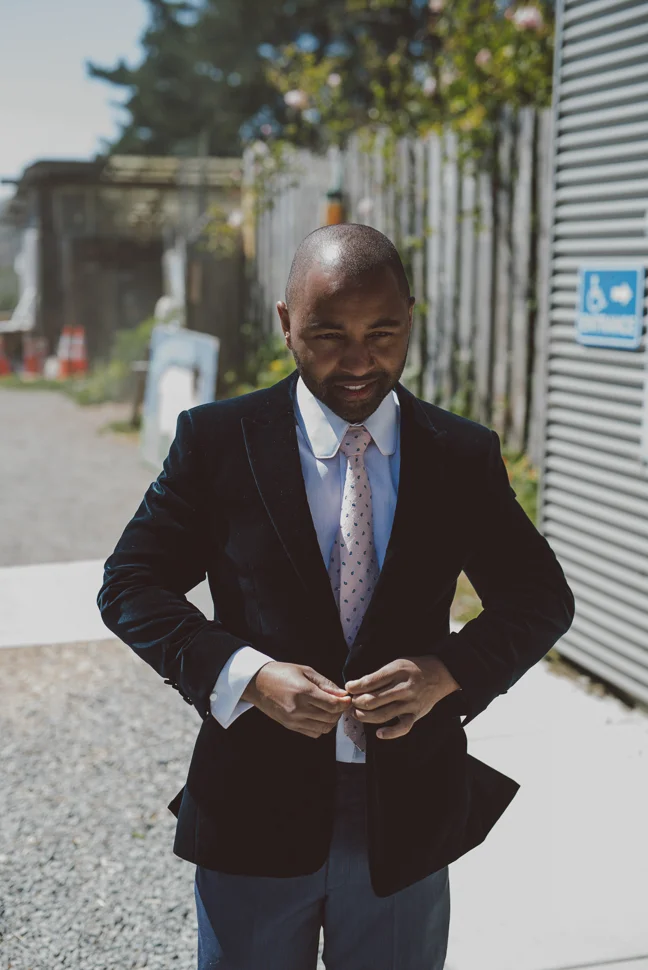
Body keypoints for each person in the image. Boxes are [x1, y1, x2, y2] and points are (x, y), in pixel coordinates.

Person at [98, 223, 575, 970]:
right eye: (328, 334)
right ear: (287, 323)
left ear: (410, 318)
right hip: (253, 809)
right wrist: (250, 677)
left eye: (382, 333)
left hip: (406, 817)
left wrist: (445, 673)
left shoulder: (460, 454)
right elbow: (131, 584)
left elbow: (540, 598)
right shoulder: (218, 442)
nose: (358, 361)